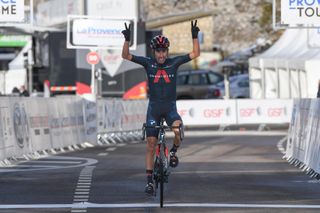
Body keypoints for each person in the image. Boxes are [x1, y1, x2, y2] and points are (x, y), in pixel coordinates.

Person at [121, 20, 200, 195]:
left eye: (164, 51)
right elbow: (126, 56)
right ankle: (149, 181)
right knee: (150, 144)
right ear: (154, 52)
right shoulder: (148, 63)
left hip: (170, 108)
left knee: (178, 130)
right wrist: (127, 40)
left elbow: (195, 53)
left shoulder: (174, 63)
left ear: (167, 51)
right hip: (154, 109)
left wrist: (194, 36)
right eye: (158, 51)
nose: (161, 54)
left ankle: (173, 152)